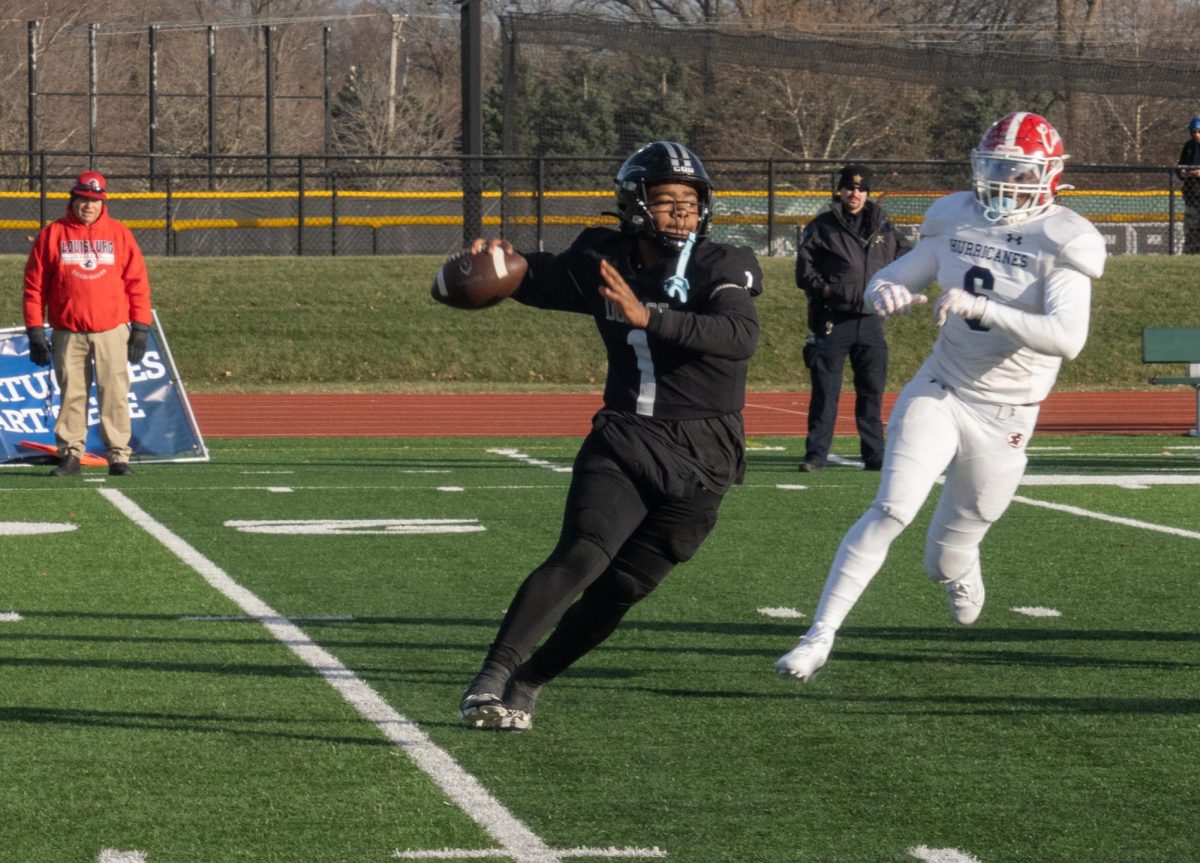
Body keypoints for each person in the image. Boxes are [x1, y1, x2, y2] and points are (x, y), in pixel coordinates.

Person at [775, 112, 1106, 682]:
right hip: (942, 387)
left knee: (945, 557)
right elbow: (901, 272)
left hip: (1007, 411)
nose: (1004, 179)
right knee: (892, 507)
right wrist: (888, 291)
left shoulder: (1065, 237)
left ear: (1048, 175)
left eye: (1018, 169)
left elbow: (1067, 338)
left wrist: (981, 307)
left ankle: (960, 568)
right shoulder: (956, 217)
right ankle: (818, 636)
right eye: (996, 166)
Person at [456, 141, 763, 731]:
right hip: (626, 438)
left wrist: (651, 316)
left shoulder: (723, 263)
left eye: (691, 200)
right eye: (667, 199)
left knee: (622, 588)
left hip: (707, 453)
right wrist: (495, 263)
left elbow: (737, 335)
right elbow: (539, 278)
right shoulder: (605, 258)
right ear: (636, 204)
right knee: (583, 553)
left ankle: (530, 682)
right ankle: (490, 678)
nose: (681, 211)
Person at [22, 171, 153, 477]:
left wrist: (141, 327)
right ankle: (70, 454)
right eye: (83, 199)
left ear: (102, 203)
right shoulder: (52, 235)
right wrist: (35, 331)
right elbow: (34, 288)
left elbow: (138, 283)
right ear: (74, 199)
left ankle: (118, 456)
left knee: (115, 392)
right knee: (72, 393)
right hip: (69, 330)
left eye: (94, 201)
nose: (88, 206)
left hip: (111, 329)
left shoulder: (120, 234)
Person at [795, 164, 910, 473]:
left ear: (867, 193)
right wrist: (831, 290)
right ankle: (816, 455)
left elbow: (908, 259)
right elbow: (804, 273)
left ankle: (875, 456)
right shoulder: (822, 226)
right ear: (840, 191)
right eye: (849, 188)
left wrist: (900, 287)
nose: (854, 193)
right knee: (825, 394)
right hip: (833, 321)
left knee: (871, 393)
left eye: (860, 189)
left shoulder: (884, 227)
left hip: (872, 321)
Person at [1175, 116, 1200, 254]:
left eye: (1199, 131)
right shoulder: (1189, 146)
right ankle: (1190, 254)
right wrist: (1183, 172)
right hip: (1193, 196)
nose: (1196, 134)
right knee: (1191, 229)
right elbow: (1180, 167)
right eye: (1194, 131)